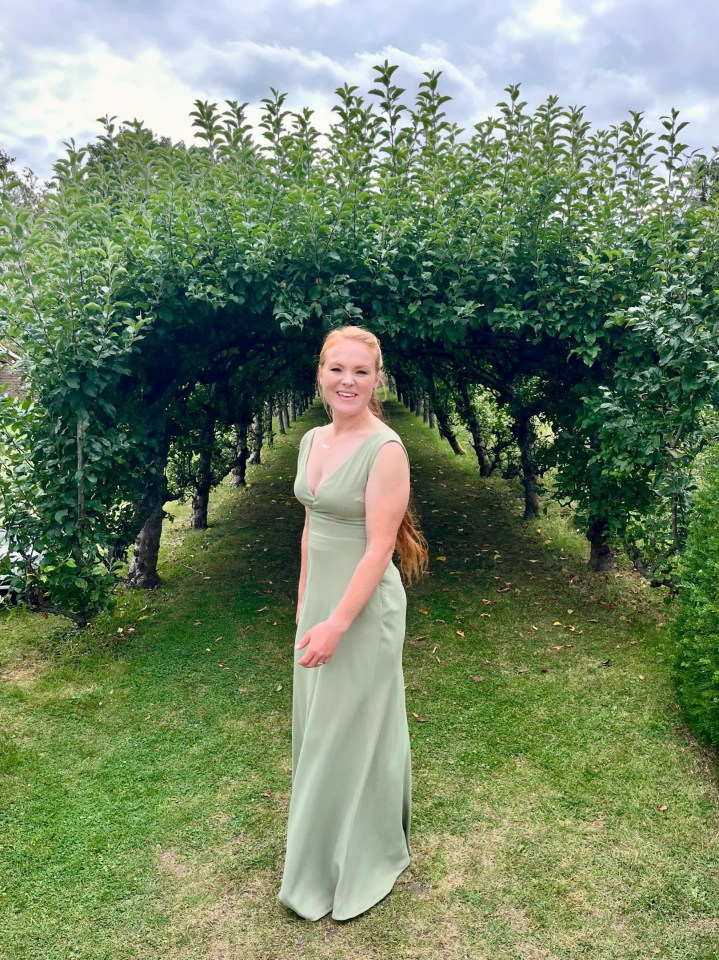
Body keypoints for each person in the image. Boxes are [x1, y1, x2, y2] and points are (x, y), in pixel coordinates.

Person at [278, 325, 429, 922]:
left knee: (349, 727)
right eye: (337, 369)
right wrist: (305, 608)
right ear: (319, 374)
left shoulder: (386, 449)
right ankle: (321, 846)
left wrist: (337, 622)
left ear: (377, 380)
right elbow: (311, 530)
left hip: (363, 611)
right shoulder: (311, 440)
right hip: (323, 603)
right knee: (319, 724)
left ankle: (354, 856)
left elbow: (376, 550)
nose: (348, 381)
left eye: (360, 372)